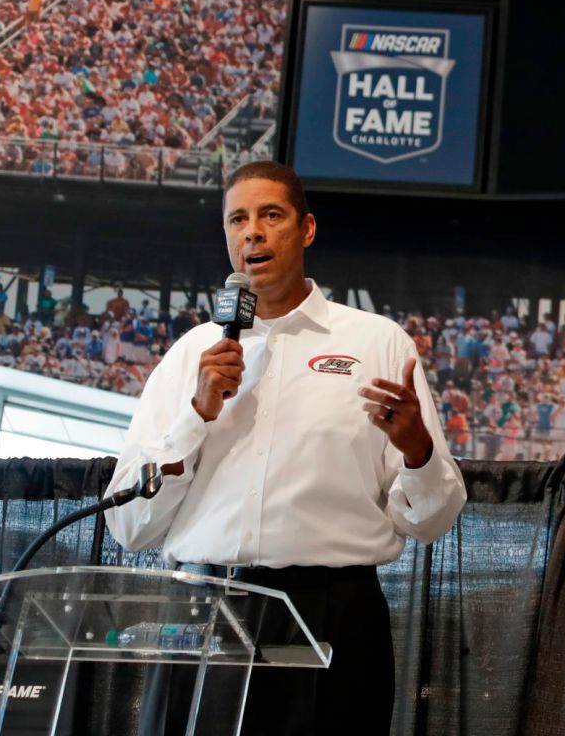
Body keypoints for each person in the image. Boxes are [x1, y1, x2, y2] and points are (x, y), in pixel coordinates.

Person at [104, 161, 466, 735]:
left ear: (307, 229)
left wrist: (418, 451)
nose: (253, 232)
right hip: (202, 614)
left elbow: (430, 521)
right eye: (238, 219)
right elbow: (130, 526)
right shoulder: (191, 355)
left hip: (332, 617)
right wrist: (196, 415)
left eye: (271, 215)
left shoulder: (376, 342)